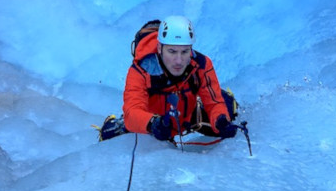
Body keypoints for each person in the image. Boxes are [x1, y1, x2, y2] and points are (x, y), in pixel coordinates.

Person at [99, 15, 238, 142]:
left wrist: (220, 120)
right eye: (172, 51)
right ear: (159, 48)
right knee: (110, 138)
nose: (179, 60)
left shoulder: (201, 65)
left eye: (184, 52)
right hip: (152, 122)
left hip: (187, 114)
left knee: (228, 110)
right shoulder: (141, 70)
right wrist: (153, 124)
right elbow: (132, 111)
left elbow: (214, 103)